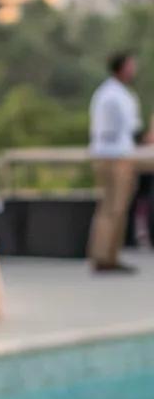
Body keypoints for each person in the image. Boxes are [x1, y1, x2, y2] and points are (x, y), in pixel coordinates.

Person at [88, 51, 142, 273]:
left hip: (121, 154)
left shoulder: (120, 93)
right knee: (111, 207)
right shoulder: (110, 95)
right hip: (112, 156)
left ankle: (111, 256)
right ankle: (102, 256)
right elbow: (114, 130)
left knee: (118, 208)